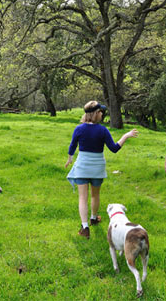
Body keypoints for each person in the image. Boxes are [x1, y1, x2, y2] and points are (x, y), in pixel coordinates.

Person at [65, 100, 138, 239]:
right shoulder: (102, 130)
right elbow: (114, 148)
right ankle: (93, 218)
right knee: (95, 195)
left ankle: (85, 227)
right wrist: (125, 136)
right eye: (100, 112)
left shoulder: (79, 129)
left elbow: (72, 146)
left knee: (82, 197)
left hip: (82, 166)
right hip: (97, 167)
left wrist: (70, 159)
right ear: (95, 113)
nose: (102, 114)